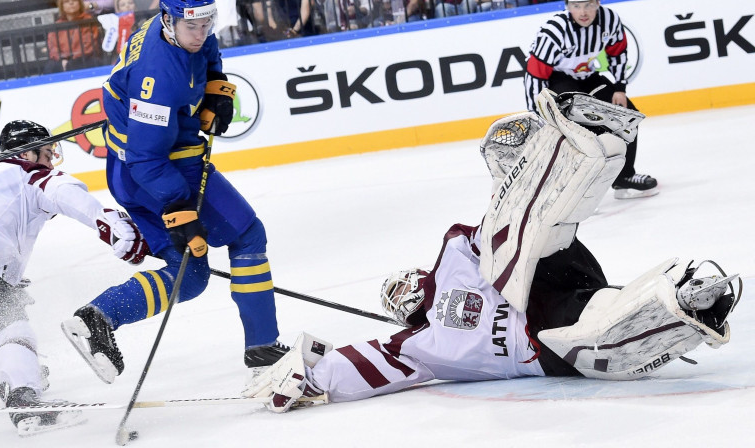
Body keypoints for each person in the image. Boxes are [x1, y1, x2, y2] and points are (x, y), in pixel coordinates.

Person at [242, 90, 741, 412]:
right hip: (547, 342)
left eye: (402, 283)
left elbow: (498, 230)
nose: (405, 293)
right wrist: (310, 377)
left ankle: (579, 150)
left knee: (525, 234)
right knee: (589, 336)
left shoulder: (455, 253)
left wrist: (516, 174)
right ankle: (682, 305)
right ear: (401, 315)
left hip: (545, 264)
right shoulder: (423, 347)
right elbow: (368, 363)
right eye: (397, 299)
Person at [61, 0, 288, 385]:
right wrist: (180, 209)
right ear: (169, 21)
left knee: (192, 275)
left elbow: (209, 48)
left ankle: (96, 320)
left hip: (133, 171)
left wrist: (216, 88)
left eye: (207, 24)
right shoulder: (158, 77)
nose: (201, 34)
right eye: (193, 28)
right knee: (248, 233)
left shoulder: (180, 24)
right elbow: (147, 158)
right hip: (158, 172)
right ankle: (264, 349)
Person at [0, 120, 148, 434]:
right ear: (28, 153)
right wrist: (113, 226)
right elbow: (68, 196)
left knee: (3, 328)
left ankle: (16, 379)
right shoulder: (31, 175)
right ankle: (24, 402)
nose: (50, 161)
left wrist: (7, 279)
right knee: (13, 331)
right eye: (46, 153)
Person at [524, 0, 657, 199]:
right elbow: (535, 74)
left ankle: (624, 178)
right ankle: (573, 188)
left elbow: (618, 53)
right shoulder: (555, 30)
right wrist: (537, 114)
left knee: (626, 116)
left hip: (586, 76)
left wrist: (620, 89)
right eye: (576, 6)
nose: (583, 12)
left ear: (597, 3)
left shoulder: (609, 20)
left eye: (588, 5)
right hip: (557, 79)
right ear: (568, 7)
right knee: (575, 125)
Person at [45, 0, 103, 73]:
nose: (71, 3)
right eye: (66, 1)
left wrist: (70, 61)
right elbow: (53, 47)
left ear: (79, 3)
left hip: (85, 59)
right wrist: (63, 60)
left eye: (74, 0)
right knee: (50, 67)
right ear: (61, 6)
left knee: (76, 64)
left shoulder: (89, 20)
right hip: (63, 61)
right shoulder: (57, 25)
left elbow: (89, 46)